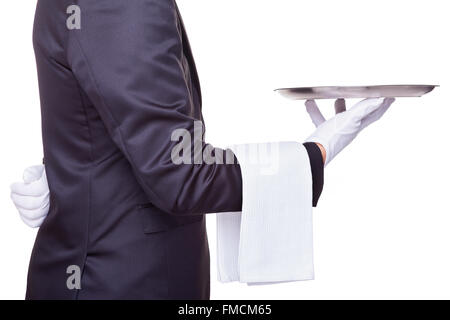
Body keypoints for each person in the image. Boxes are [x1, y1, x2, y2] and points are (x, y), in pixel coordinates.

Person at [10, 0, 394, 300]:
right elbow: (180, 176)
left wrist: (69, 171)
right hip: (119, 282)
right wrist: (312, 155)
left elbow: (94, 107)